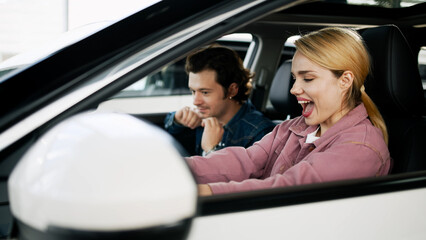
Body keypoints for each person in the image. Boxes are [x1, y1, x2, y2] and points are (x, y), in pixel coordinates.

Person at [186, 27, 391, 196]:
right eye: (295, 78)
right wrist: (179, 168)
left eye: (308, 78)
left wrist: (207, 192)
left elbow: (289, 189)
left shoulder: (360, 148)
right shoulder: (294, 127)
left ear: (345, 81)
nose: (294, 89)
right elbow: (245, 160)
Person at [164, 45, 275, 156]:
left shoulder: (260, 134)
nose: (195, 102)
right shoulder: (202, 118)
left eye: (205, 92)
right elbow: (168, 142)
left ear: (232, 90)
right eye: (193, 91)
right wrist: (177, 120)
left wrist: (212, 150)